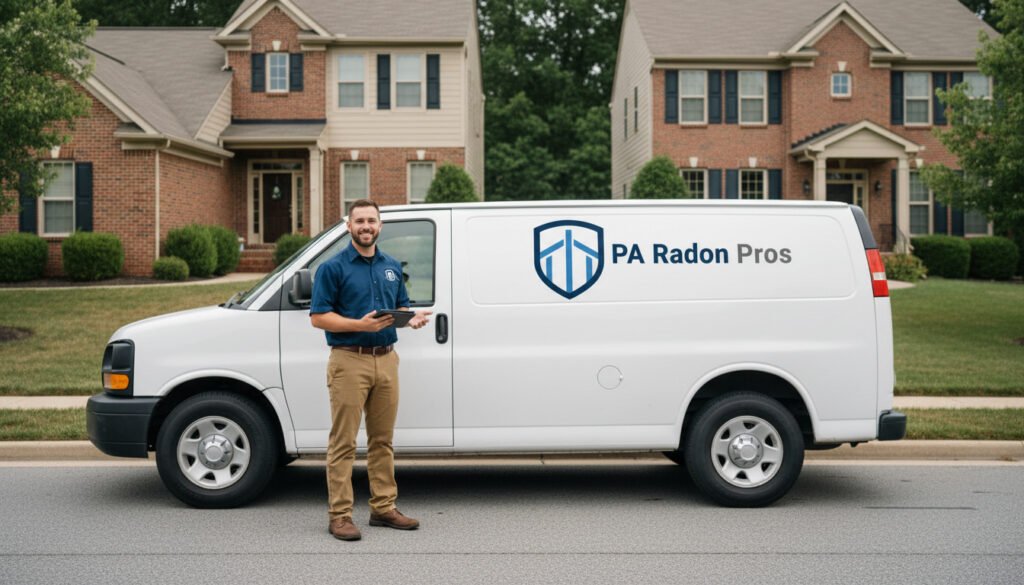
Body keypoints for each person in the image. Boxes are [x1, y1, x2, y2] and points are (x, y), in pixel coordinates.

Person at [309, 199, 431, 542]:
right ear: (349, 226)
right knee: (343, 442)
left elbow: (400, 307)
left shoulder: (391, 265)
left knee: (382, 440)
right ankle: (340, 515)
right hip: (349, 360)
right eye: (359, 220)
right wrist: (356, 324)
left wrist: (413, 318)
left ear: (380, 226)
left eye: (372, 221)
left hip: (387, 359)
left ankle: (383, 508)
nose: (366, 226)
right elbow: (318, 317)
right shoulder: (332, 269)